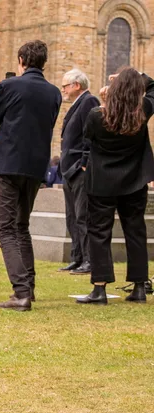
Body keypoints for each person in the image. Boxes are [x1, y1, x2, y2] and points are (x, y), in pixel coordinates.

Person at [0, 40, 62, 311]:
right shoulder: (54, 93)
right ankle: (30, 289)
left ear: (21, 60)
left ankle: (21, 293)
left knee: (6, 228)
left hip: (8, 164)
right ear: (43, 63)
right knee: (21, 226)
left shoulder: (10, 85)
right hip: (35, 167)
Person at [76, 68, 153, 305]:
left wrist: (107, 98)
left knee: (99, 233)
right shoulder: (143, 112)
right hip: (134, 181)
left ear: (112, 92)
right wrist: (138, 75)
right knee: (136, 232)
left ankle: (99, 288)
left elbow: (88, 137)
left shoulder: (96, 116)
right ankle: (139, 287)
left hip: (101, 183)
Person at [59, 68, 101, 275]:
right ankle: (77, 257)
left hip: (79, 169)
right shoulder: (77, 104)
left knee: (83, 215)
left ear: (77, 85)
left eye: (65, 85)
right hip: (69, 170)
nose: (63, 90)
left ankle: (88, 260)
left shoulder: (89, 102)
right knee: (72, 215)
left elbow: (90, 134)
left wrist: (83, 163)